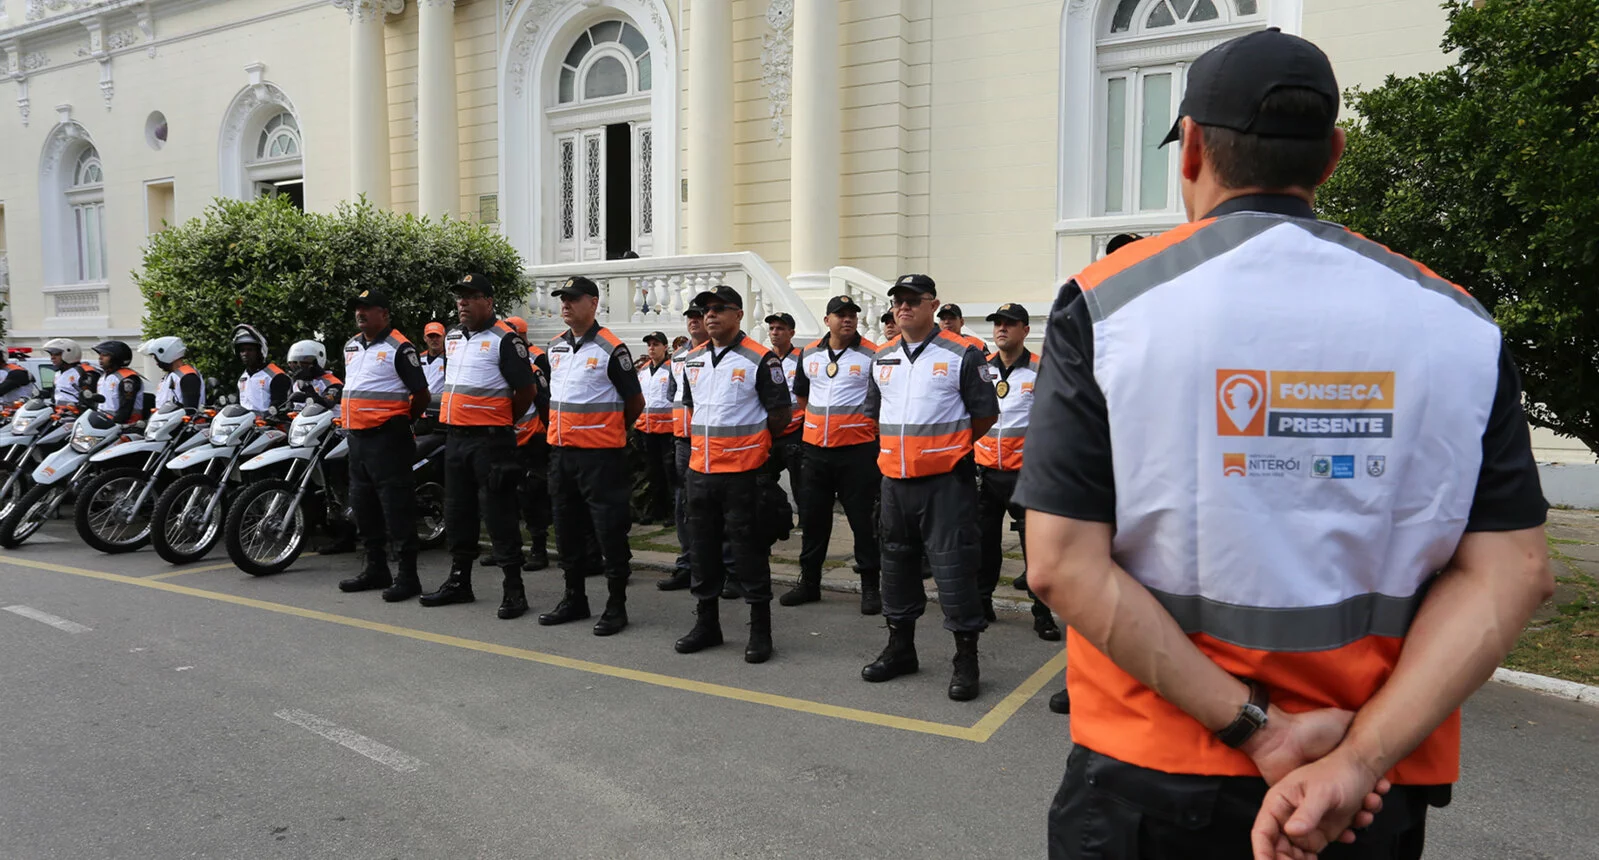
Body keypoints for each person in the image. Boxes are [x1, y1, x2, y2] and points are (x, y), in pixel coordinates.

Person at [1017, 29, 1552, 860]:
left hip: (1155, 770)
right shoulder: (1456, 321)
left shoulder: (1107, 306)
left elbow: (1059, 564)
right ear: (1331, 155)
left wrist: (1261, 731)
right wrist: (1361, 756)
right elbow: (1512, 572)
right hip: (1362, 787)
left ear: (1190, 146)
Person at [861, 274, 998, 701]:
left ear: (932, 304)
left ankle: (966, 659)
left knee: (955, 571)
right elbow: (872, 415)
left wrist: (946, 451)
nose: (903, 307)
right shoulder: (881, 356)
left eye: (912, 300)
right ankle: (901, 649)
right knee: (897, 571)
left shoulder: (964, 353)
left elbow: (985, 415)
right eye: (897, 301)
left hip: (945, 485)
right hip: (895, 484)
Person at [675, 285, 792, 663]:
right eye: (705, 309)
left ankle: (761, 631)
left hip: (743, 476)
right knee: (703, 552)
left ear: (739, 315)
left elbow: (779, 415)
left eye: (719, 308)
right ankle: (707, 624)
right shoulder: (692, 360)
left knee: (749, 553)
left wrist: (752, 453)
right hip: (700, 474)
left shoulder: (760, 360)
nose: (709, 315)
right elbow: (692, 410)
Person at [421, 275, 541, 618]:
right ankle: (460, 581)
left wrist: (501, 420)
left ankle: (514, 589)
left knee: (499, 514)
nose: (462, 304)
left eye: (470, 297)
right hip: (456, 438)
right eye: (459, 298)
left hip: (490, 441)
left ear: (488, 301)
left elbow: (526, 392)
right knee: (457, 512)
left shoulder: (506, 339)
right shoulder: (454, 337)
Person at [538, 276, 644, 635]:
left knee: (608, 530)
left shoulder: (611, 349)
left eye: (573, 299)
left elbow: (635, 403)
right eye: (562, 299)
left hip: (601, 459)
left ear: (593, 303)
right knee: (566, 529)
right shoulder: (555, 348)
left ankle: (616, 605)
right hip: (562, 454)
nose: (565, 305)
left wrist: (609, 431)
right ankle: (574, 598)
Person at [782, 295, 882, 613]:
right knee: (813, 521)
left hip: (857, 453)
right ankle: (809, 583)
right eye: (840, 315)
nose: (847, 319)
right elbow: (801, 397)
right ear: (828, 321)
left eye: (852, 314)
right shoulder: (809, 353)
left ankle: (870, 587)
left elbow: (881, 400)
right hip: (815, 452)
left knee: (863, 523)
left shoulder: (873, 355)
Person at [972, 303, 1060, 642]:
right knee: (984, 545)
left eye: (1009, 324)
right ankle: (982, 603)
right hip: (986, 474)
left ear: (1025, 330)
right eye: (997, 324)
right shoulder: (982, 368)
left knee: (1035, 549)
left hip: (1026, 475)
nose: (1001, 329)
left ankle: (1042, 613)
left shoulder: (1041, 369)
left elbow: (1053, 423)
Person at [336, 290, 433, 598]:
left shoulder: (400, 347)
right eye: (358, 309)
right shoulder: (352, 346)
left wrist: (401, 421)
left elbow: (421, 395)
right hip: (358, 439)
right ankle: (375, 569)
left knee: (397, 509)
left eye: (368, 308)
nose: (360, 313)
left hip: (388, 440)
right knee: (364, 508)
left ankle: (407, 577)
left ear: (385, 313)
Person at [657, 307, 709, 591]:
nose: (694, 320)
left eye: (699, 315)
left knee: (712, 506)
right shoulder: (677, 357)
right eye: (690, 316)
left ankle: (722, 566)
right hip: (683, 442)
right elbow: (673, 395)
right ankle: (686, 565)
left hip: (713, 442)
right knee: (682, 505)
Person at [503, 315, 553, 572]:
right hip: (505, 440)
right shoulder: (496, 369)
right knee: (504, 497)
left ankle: (538, 549)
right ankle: (507, 549)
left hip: (531, 440)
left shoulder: (535, 371)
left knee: (533, 496)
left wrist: (547, 439)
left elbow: (544, 407)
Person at [762, 312, 804, 537]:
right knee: (766, 479)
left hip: (796, 432)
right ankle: (778, 518)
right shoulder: (765, 358)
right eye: (772, 329)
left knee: (801, 484)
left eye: (780, 328)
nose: (775, 333)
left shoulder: (801, 358)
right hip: (771, 432)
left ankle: (805, 524)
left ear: (791, 333)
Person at [634, 331, 676, 525]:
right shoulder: (643, 370)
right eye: (649, 345)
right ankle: (655, 510)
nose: (652, 348)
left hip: (667, 431)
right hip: (646, 430)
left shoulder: (672, 369)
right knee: (652, 473)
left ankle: (672, 512)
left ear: (665, 348)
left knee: (669, 473)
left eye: (656, 344)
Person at [232, 324, 291, 414]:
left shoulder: (276, 375)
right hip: (244, 424)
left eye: (250, 350)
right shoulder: (243, 378)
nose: (245, 354)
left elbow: (280, 406)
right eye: (242, 350)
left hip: (268, 425)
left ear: (259, 352)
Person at [140, 337, 206, 410]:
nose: (156, 362)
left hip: (178, 420)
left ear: (166, 353)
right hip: (164, 420)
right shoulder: (172, 375)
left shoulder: (187, 376)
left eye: (156, 358)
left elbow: (190, 409)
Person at [90, 341, 146, 424]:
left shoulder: (127, 378)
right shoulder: (103, 377)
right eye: (100, 354)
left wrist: (115, 422)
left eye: (105, 355)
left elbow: (126, 407)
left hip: (127, 425)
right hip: (104, 422)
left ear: (116, 357)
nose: (100, 358)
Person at [286, 340, 343, 410]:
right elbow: (289, 405)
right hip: (299, 420)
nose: (299, 367)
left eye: (304, 363)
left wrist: (308, 390)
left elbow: (328, 403)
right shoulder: (296, 381)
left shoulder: (333, 383)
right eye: (293, 363)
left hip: (326, 419)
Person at [41, 338, 98, 407]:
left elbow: (89, 398)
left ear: (69, 353)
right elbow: (55, 395)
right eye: (51, 354)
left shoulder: (82, 372)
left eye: (56, 354)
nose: (52, 357)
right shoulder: (58, 373)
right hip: (59, 411)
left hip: (75, 413)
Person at [420, 321, 447, 415]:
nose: (434, 339)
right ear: (425, 338)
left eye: (438, 336)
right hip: (421, 408)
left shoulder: (450, 359)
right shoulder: (419, 358)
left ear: (444, 337)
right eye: (431, 336)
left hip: (440, 407)